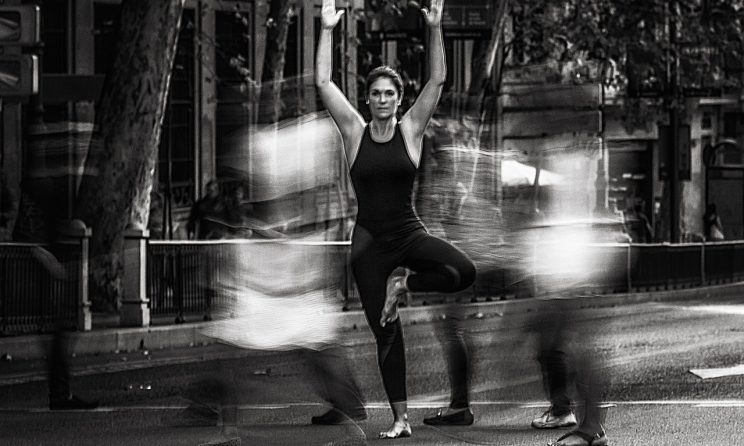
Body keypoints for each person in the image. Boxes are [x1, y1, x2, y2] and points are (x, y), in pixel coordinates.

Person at [316, 0, 476, 438]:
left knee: (463, 271)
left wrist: (436, 27)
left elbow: (437, 79)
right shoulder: (354, 131)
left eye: (390, 94)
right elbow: (324, 82)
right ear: (367, 99)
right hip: (369, 245)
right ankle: (400, 419)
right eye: (376, 94)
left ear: (399, 99)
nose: (383, 100)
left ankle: (404, 286)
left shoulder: (411, 130)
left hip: (408, 234)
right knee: (386, 333)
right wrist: (326, 29)